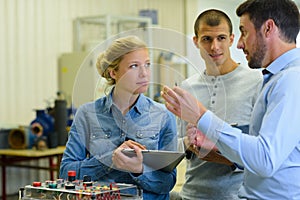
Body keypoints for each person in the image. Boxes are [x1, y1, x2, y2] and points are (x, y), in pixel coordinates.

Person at [162, 0, 300, 199]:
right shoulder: (276, 78)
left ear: (268, 28)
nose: (240, 44)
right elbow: (260, 157)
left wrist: (202, 117)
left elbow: (264, 160)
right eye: (207, 39)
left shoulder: (289, 79)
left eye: (244, 32)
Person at [60, 35, 178, 200]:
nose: (144, 74)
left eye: (147, 65)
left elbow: (168, 182)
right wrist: (110, 159)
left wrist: (139, 170)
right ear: (113, 72)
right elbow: (66, 173)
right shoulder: (87, 114)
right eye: (134, 66)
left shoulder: (164, 116)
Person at [170, 9, 263, 200]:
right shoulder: (188, 87)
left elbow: (265, 156)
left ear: (231, 39)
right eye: (206, 39)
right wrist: (189, 144)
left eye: (221, 38)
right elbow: (178, 143)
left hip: (238, 196)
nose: (214, 47)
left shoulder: (257, 82)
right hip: (192, 195)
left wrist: (224, 156)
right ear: (196, 41)